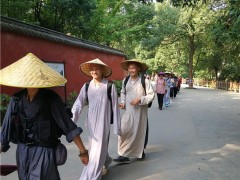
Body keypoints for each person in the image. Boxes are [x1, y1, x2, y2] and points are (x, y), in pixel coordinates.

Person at [0, 53, 89, 180]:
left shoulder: (51, 99)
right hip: (23, 152)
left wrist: (83, 152)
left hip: (44, 151)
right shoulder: (16, 100)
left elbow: (69, 127)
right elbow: (5, 130)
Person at [71, 58, 121, 180]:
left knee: (98, 149)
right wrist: (72, 119)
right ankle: (106, 160)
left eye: (96, 68)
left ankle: (91, 176)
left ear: (103, 70)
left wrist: (117, 127)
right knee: (95, 148)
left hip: (103, 123)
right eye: (92, 69)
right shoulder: (87, 86)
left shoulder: (109, 86)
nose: (94, 71)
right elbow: (79, 103)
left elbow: (115, 107)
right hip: (92, 123)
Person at [114, 59, 155, 163]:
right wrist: (123, 101)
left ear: (138, 69)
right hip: (128, 111)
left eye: (133, 68)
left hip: (140, 112)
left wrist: (140, 99)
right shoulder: (125, 80)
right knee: (123, 131)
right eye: (129, 68)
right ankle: (123, 153)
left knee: (138, 132)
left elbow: (151, 95)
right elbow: (123, 92)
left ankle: (138, 152)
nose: (131, 70)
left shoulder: (144, 81)